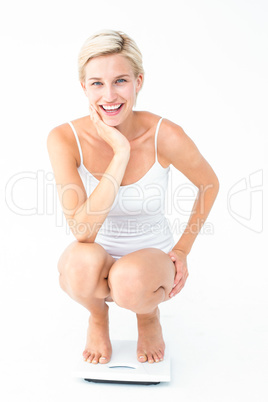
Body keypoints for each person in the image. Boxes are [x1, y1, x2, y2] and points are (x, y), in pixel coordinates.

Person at [47, 29, 219, 365]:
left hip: (149, 259)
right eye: (97, 83)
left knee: (129, 279)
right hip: (97, 253)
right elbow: (83, 232)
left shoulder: (164, 134)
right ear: (84, 87)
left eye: (120, 81)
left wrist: (182, 249)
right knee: (78, 265)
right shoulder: (64, 138)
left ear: (138, 82)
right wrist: (120, 153)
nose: (109, 95)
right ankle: (97, 317)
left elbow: (209, 183)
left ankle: (147, 315)